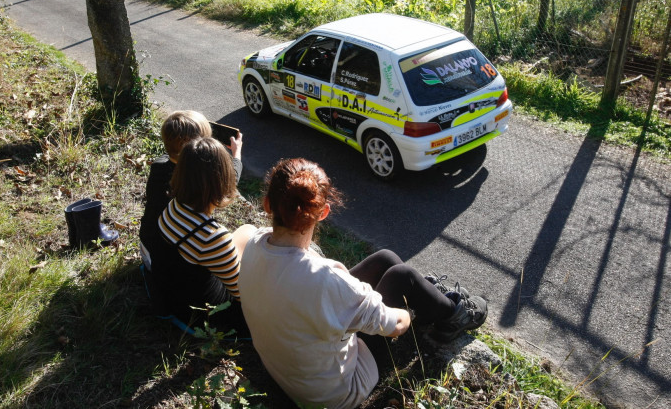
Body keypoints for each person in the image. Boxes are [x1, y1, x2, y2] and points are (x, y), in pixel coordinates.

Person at [238, 158, 488, 409]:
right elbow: (397, 326)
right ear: (323, 212)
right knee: (403, 277)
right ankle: (454, 315)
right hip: (335, 394)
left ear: (268, 203)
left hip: (289, 372)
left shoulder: (253, 244)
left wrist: (358, 303)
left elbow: (309, 285)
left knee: (385, 259)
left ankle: (433, 299)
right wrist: (405, 310)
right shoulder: (328, 279)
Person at [155, 137, 256, 332]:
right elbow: (243, 295)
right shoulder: (213, 237)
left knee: (248, 230)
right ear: (223, 180)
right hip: (207, 315)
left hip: (176, 292)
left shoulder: (172, 207)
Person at [139, 110, 242, 274]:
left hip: (148, 246)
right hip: (172, 264)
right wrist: (236, 157)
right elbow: (224, 186)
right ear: (196, 149)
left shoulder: (158, 166)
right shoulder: (194, 183)